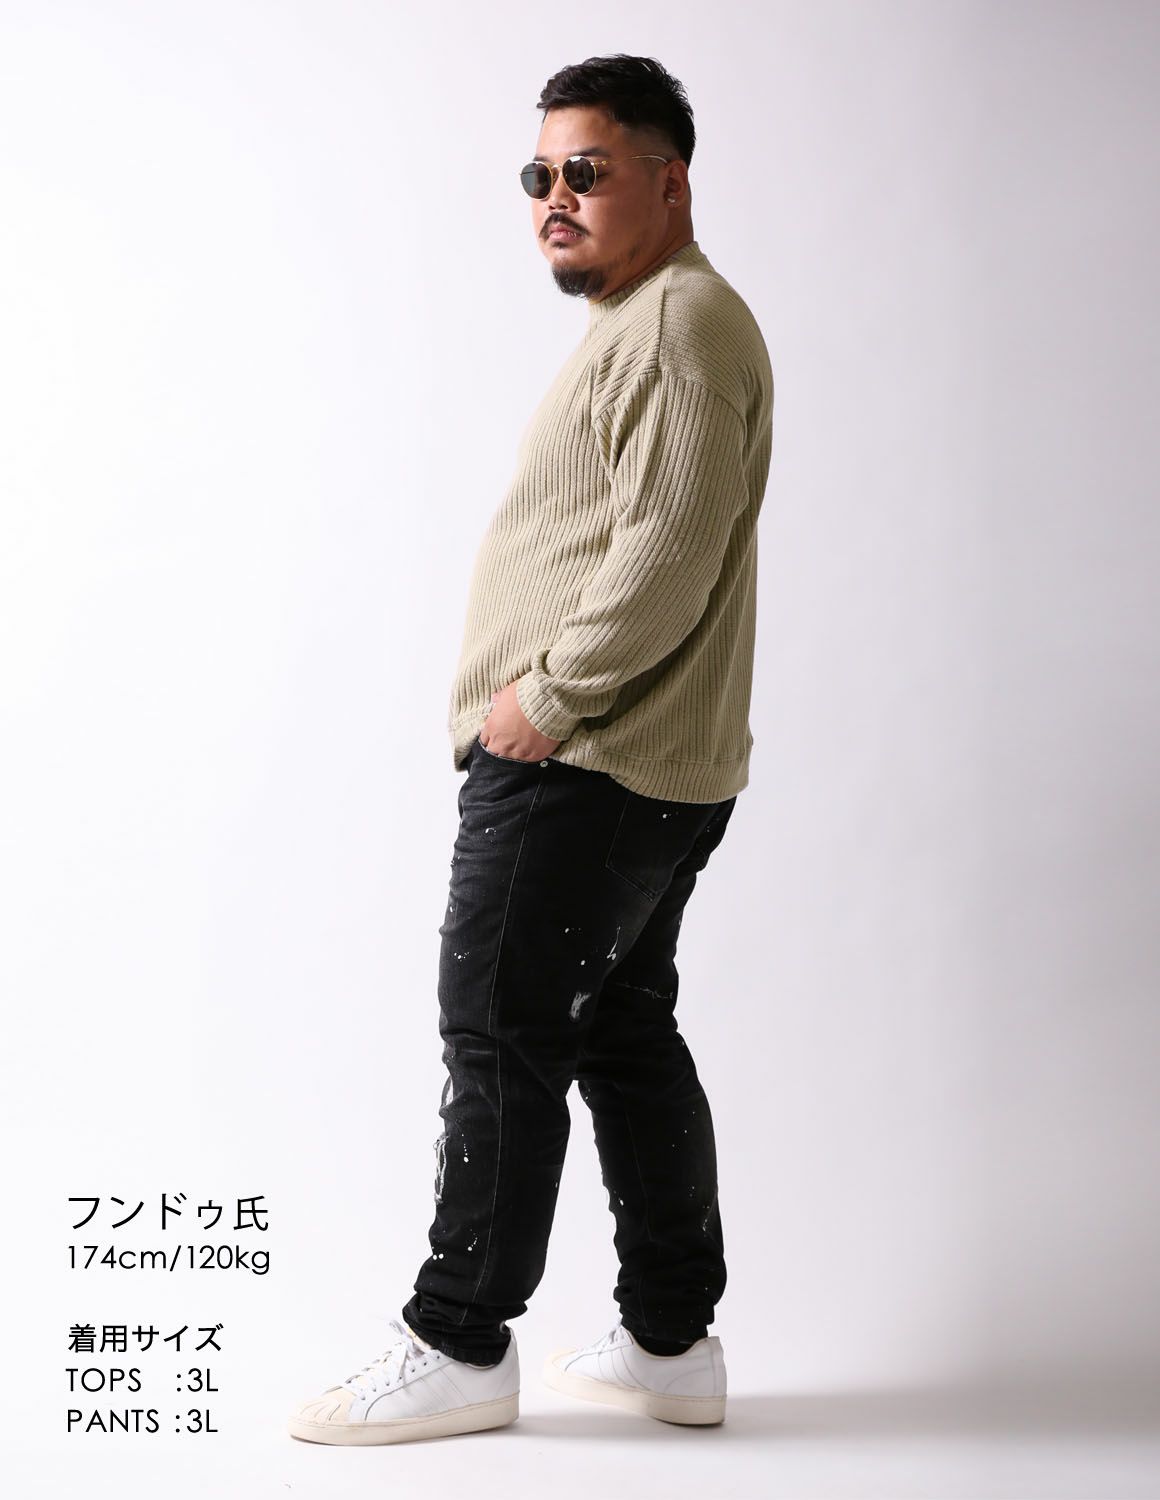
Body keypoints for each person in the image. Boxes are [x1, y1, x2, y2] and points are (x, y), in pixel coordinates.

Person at [289, 52, 774, 1446]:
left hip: (587, 759)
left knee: (500, 1037)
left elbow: (666, 553)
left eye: (588, 172)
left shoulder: (679, 326)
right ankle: (671, 1343)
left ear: (671, 183)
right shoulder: (657, 320)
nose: (555, 198)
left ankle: (457, 1341)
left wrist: (544, 703)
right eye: (540, 175)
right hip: (641, 761)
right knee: (621, 1033)